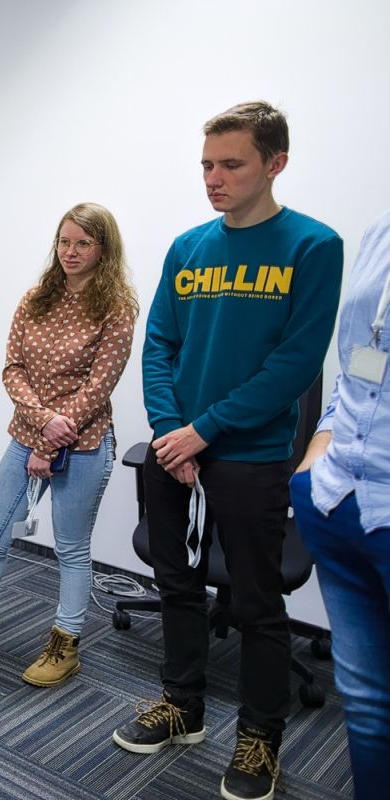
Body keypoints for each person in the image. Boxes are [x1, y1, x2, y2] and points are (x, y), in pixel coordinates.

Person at [111, 102, 343, 800]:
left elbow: (295, 364)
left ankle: (259, 736)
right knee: (175, 580)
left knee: (255, 600)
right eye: (207, 164)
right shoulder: (188, 248)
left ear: (274, 164)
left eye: (231, 164)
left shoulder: (312, 245)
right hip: (177, 445)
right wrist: (170, 430)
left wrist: (203, 430)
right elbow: (160, 347)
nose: (213, 178)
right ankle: (181, 703)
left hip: (252, 451)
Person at [0, 203, 137, 688]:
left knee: (72, 548)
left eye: (83, 243)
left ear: (104, 248)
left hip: (84, 444)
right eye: (64, 241)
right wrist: (42, 428)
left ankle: (67, 643)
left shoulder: (116, 309)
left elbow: (99, 387)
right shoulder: (36, 298)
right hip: (26, 437)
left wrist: (57, 433)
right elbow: (12, 370)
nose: (71, 252)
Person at [290, 210, 390, 800]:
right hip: (337, 500)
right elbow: (361, 360)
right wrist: (319, 450)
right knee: (369, 708)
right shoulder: (380, 232)